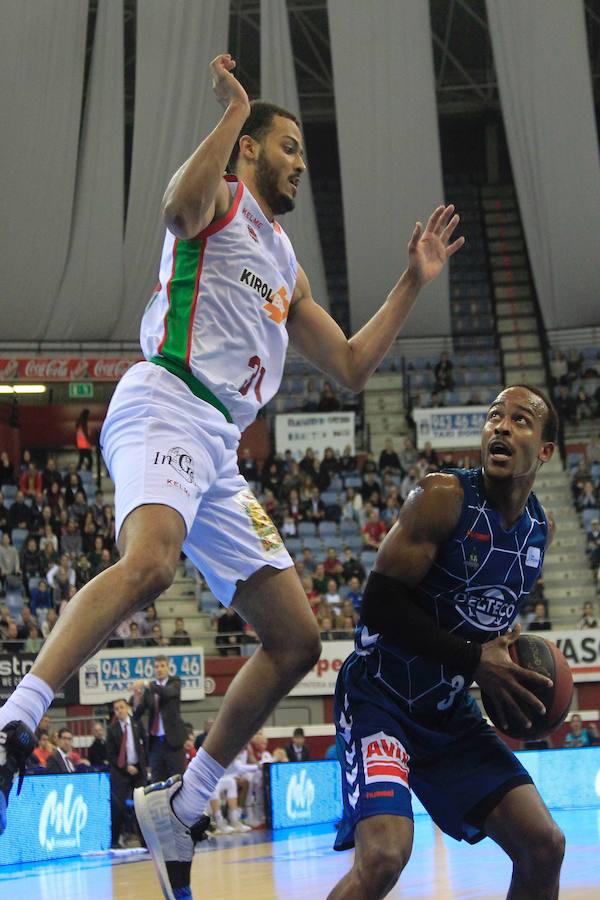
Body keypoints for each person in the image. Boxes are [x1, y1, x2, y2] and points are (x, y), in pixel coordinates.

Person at [0, 54, 462, 899]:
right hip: (167, 397)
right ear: (249, 147)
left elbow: (351, 366)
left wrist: (411, 280)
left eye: (302, 152)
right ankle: (15, 720)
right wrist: (234, 111)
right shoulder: (218, 200)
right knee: (151, 563)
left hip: (219, 446)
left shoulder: (285, 264)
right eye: (288, 146)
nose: (301, 163)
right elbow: (177, 208)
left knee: (296, 639)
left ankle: (185, 802)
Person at [328, 385, 566, 900]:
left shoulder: (539, 532)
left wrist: (504, 661)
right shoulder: (443, 498)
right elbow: (378, 606)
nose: (502, 427)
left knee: (544, 846)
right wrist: (475, 660)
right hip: (379, 698)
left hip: (447, 711)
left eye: (520, 420)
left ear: (546, 450)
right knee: (384, 858)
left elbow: (482, 620)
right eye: (495, 416)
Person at [131, 656, 187, 784]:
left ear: (168, 667)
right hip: (155, 743)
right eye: (156, 667)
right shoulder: (150, 689)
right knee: (157, 782)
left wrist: (146, 684)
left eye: (162, 666)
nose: (159, 669)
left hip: (173, 743)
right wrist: (136, 698)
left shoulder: (175, 682)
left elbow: (166, 692)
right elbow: (137, 714)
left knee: (177, 781)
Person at [107, 698, 148, 848]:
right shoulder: (111, 729)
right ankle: (115, 841)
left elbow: (146, 743)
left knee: (142, 806)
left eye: (121, 707)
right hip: (121, 772)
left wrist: (144, 765)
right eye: (116, 709)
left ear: (127, 708)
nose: (119, 711)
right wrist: (126, 767)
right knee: (118, 807)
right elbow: (111, 754)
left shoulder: (137, 723)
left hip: (138, 772)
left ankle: (145, 841)